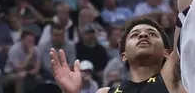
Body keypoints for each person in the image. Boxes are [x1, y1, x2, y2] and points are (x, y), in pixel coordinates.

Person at [50, 18, 184, 93]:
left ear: (166, 53)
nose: (143, 35)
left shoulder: (174, 82)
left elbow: (185, 5)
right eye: (135, 35)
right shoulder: (105, 92)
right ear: (124, 55)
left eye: (152, 34)